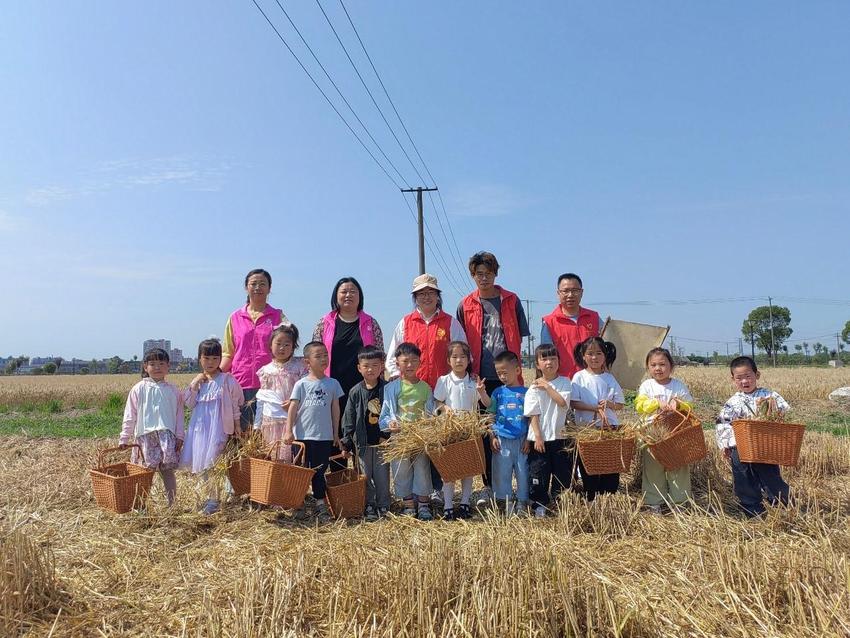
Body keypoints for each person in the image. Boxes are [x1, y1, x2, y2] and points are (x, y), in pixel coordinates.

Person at [385, 273, 466, 505]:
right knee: (416, 446)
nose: (426, 297)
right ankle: (413, 494)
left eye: (431, 292)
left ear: (438, 296)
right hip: (413, 396)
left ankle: (438, 489)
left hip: (441, 396)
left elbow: (462, 351)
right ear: (415, 298)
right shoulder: (405, 323)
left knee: (439, 443)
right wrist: (400, 384)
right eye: (421, 293)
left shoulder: (451, 323)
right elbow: (393, 358)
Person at [456, 251, 530, 506]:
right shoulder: (465, 304)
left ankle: (521, 488)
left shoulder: (511, 300)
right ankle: (490, 486)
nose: (483, 278)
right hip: (481, 379)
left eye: (488, 273)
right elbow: (461, 340)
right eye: (478, 274)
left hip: (509, 377)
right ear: (473, 276)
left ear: (495, 273)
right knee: (488, 433)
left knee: (517, 429)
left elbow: (521, 334)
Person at [312, 277, 384, 471]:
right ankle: (340, 483)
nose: (348, 295)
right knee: (336, 434)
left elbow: (379, 354)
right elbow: (315, 354)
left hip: (363, 390)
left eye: (353, 291)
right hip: (332, 389)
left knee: (362, 433)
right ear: (336, 296)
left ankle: (365, 485)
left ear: (360, 297)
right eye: (344, 291)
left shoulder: (371, 323)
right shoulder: (324, 323)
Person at [716, 356, 791, 517]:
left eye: (748, 376)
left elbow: (784, 412)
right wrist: (725, 445)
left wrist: (771, 408)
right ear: (733, 379)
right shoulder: (733, 402)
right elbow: (723, 424)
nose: (744, 381)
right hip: (740, 447)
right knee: (743, 477)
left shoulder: (770, 395)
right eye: (739, 378)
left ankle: (781, 505)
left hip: (765, 446)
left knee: (771, 475)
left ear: (757, 375)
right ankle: (751, 509)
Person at [179, 339, 244, 515]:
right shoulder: (199, 382)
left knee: (214, 465)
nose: (211, 362)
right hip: (200, 430)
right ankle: (211, 498)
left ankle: (216, 499)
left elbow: (237, 403)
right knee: (204, 466)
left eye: (215, 358)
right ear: (199, 359)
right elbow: (190, 404)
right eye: (206, 358)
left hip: (219, 430)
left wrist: (237, 425)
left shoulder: (227, 380)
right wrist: (194, 385)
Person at [283, 342, 344, 522]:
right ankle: (299, 504)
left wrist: (335, 433)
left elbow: (335, 410)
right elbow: (293, 408)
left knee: (319, 471)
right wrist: (288, 431)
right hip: (302, 437)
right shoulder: (301, 384)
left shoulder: (333, 383)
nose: (323, 359)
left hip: (323, 437)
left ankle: (320, 504)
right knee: (300, 472)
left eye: (325, 355)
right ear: (307, 362)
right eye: (318, 356)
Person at [220, 268, 287, 431]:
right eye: (253, 284)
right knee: (241, 433)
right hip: (240, 383)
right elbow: (228, 352)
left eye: (262, 284)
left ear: (270, 288)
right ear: (246, 288)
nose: (258, 287)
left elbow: (288, 346)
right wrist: (213, 376)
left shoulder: (278, 316)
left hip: (271, 384)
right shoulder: (235, 317)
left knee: (269, 434)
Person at [119, 348, 184, 506]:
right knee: (145, 473)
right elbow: (130, 415)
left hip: (167, 438)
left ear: (168, 366)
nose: (157, 367)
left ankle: (172, 504)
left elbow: (179, 415)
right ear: (145, 366)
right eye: (152, 364)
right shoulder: (138, 389)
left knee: (167, 472)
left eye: (161, 363)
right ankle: (140, 504)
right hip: (145, 437)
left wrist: (180, 436)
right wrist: (124, 437)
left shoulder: (173, 391)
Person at [379, 342, 436, 521]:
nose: (410, 365)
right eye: (405, 361)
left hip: (419, 438)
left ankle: (424, 505)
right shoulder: (391, 388)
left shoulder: (426, 388)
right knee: (401, 469)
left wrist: (427, 429)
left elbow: (430, 413)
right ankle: (408, 504)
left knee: (422, 468)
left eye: (414, 361)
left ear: (420, 363)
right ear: (397, 363)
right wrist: (391, 423)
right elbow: (385, 414)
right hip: (400, 438)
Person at [433, 341, 490, 520]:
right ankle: (449, 505)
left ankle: (465, 502)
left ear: (469, 359)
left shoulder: (474, 381)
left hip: (469, 430)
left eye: (463, 357)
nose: (459, 360)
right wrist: (445, 409)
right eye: (455, 357)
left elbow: (486, 404)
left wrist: (481, 392)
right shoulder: (444, 380)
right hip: (450, 430)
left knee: (468, 468)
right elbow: (437, 402)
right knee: (449, 470)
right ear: (448, 360)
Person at [635, 348, 694, 512]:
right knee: (653, 468)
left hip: (675, 432)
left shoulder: (677, 385)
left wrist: (680, 405)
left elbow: (690, 405)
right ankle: (654, 502)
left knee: (678, 467)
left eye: (662, 364)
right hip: (652, 433)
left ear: (671, 366)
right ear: (648, 368)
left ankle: (680, 502)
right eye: (653, 365)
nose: (658, 368)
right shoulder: (647, 386)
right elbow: (640, 406)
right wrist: (657, 404)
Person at [570, 337, 625, 501]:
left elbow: (620, 404)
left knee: (610, 465)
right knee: (589, 465)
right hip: (586, 429)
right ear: (583, 356)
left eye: (598, 353)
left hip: (609, 428)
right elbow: (573, 402)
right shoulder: (579, 377)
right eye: (590, 353)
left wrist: (609, 404)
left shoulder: (610, 378)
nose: (594, 357)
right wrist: (593, 408)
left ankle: (609, 497)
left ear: (605, 355)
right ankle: (591, 496)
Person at [340, 345, 390, 521]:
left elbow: (392, 414)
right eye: (366, 365)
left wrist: (388, 436)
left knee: (382, 475)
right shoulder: (355, 391)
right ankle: (369, 504)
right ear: (359, 368)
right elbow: (349, 418)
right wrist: (346, 442)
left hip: (382, 442)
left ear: (382, 367)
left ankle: (384, 505)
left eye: (375, 365)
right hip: (361, 443)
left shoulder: (387, 389)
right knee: (364, 475)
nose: (371, 369)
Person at [524, 344, 572, 517]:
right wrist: (537, 437)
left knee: (562, 473)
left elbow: (562, 403)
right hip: (540, 438)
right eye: (544, 359)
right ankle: (539, 504)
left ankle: (560, 503)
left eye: (553, 358)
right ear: (537, 364)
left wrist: (547, 387)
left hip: (560, 436)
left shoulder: (565, 382)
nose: (549, 362)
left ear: (559, 361)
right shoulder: (533, 388)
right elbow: (533, 414)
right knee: (539, 472)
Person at [254, 323, 307, 461]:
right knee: (274, 459)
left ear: (294, 347)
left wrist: (294, 402)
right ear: (270, 345)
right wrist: (257, 425)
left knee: (294, 460)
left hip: (294, 420)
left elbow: (306, 391)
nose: (282, 348)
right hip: (271, 421)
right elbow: (261, 400)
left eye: (287, 344)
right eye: (278, 343)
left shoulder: (300, 367)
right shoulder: (266, 371)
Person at [487, 351, 529, 514]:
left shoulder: (527, 393)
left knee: (523, 472)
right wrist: (492, 436)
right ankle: (507, 502)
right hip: (502, 439)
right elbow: (490, 416)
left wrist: (529, 439)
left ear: (517, 370)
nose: (502, 376)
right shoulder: (497, 392)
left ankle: (522, 502)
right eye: (499, 373)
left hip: (521, 440)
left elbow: (532, 417)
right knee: (501, 472)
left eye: (505, 372)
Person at [540, 273, 603, 378]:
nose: (570, 295)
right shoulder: (549, 322)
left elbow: (605, 347)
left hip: (593, 380)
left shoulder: (594, 318)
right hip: (564, 383)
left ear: (582, 292)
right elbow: (545, 357)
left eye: (575, 291)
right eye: (565, 291)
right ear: (558, 293)